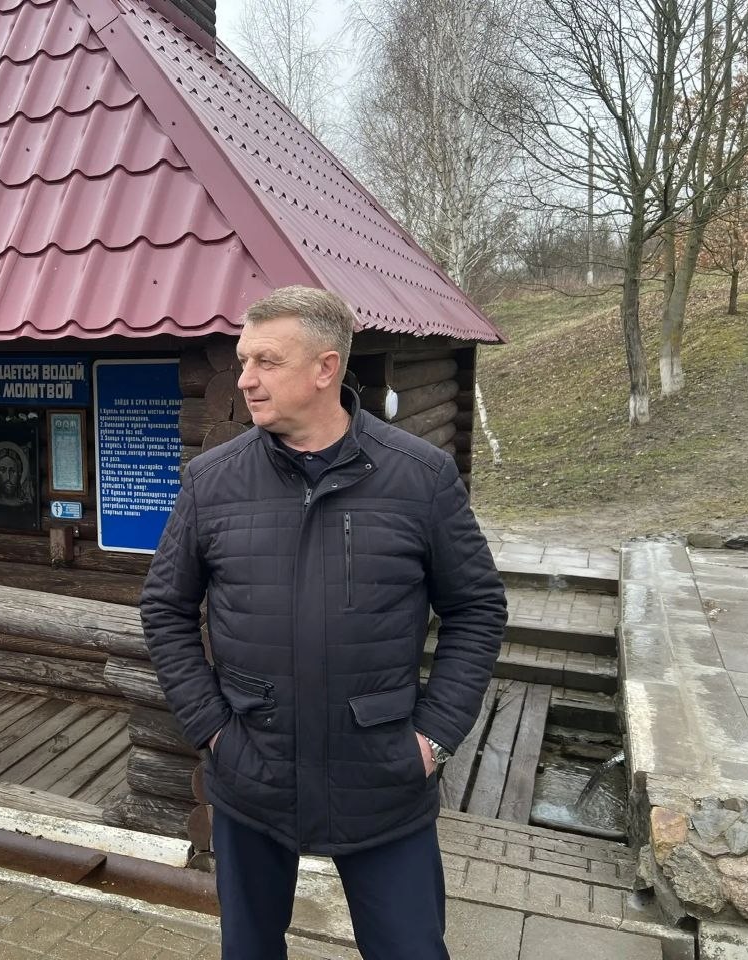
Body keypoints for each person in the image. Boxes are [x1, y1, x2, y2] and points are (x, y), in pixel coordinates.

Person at [140, 286, 506, 960]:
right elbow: (165, 607)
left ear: (325, 368)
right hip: (252, 774)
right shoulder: (212, 481)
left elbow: (477, 607)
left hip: (383, 779)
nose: (245, 379)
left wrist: (433, 738)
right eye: (244, 361)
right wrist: (214, 729)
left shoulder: (419, 477)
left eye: (267, 361)